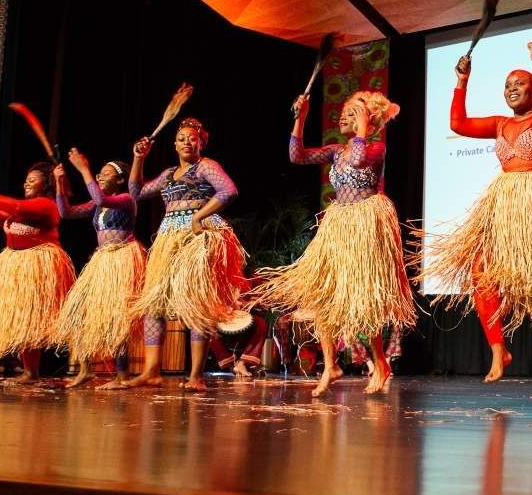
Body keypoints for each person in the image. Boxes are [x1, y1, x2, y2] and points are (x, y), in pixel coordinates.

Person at [420, 42, 532, 398]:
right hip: (506, 206)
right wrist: (461, 80)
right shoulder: (500, 124)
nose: (512, 88)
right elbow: (458, 122)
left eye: (520, 83)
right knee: (481, 271)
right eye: (507, 85)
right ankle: (499, 348)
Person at [249, 90, 415, 398]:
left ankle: (380, 361)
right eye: (345, 111)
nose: (343, 116)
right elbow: (295, 156)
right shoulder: (335, 151)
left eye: (353, 113)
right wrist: (301, 118)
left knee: (364, 302)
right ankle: (330, 365)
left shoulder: (376, 147)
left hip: (366, 225)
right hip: (338, 225)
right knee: (323, 297)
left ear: (369, 120)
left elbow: (360, 157)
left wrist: (363, 129)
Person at [125, 117, 246, 392]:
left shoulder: (207, 166)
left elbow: (229, 191)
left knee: (196, 304)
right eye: (181, 139)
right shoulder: (168, 174)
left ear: (201, 142)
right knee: (155, 304)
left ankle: (196, 375)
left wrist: (200, 216)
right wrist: (138, 159)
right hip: (169, 238)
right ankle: (151, 371)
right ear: (174, 145)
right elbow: (136, 192)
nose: (186, 142)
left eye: (192, 138)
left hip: (197, 236)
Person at [0, 163, 76, 382]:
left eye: (34, 179)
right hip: (14, 262)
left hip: (37, 263)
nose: (27, 182)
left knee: (30, 316)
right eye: (26, 179)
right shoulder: (22, 207)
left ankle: (33, 371)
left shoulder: (46, 205)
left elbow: (16, 207)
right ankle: (25, 369)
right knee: (20, 317)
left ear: (46, 183)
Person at [53, 148, 145, 389]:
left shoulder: (126, 199)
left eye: (105, 174)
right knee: (78, 312)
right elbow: (66, 212)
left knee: (117, 317)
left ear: (121, 180)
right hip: (101, 260)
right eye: (98, 173)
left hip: (121, 259)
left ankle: (122, 375)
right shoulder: (97, 205)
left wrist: (83, 170)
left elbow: (102, 198)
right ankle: (85, 370)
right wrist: (60, 183)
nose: (99, 176)